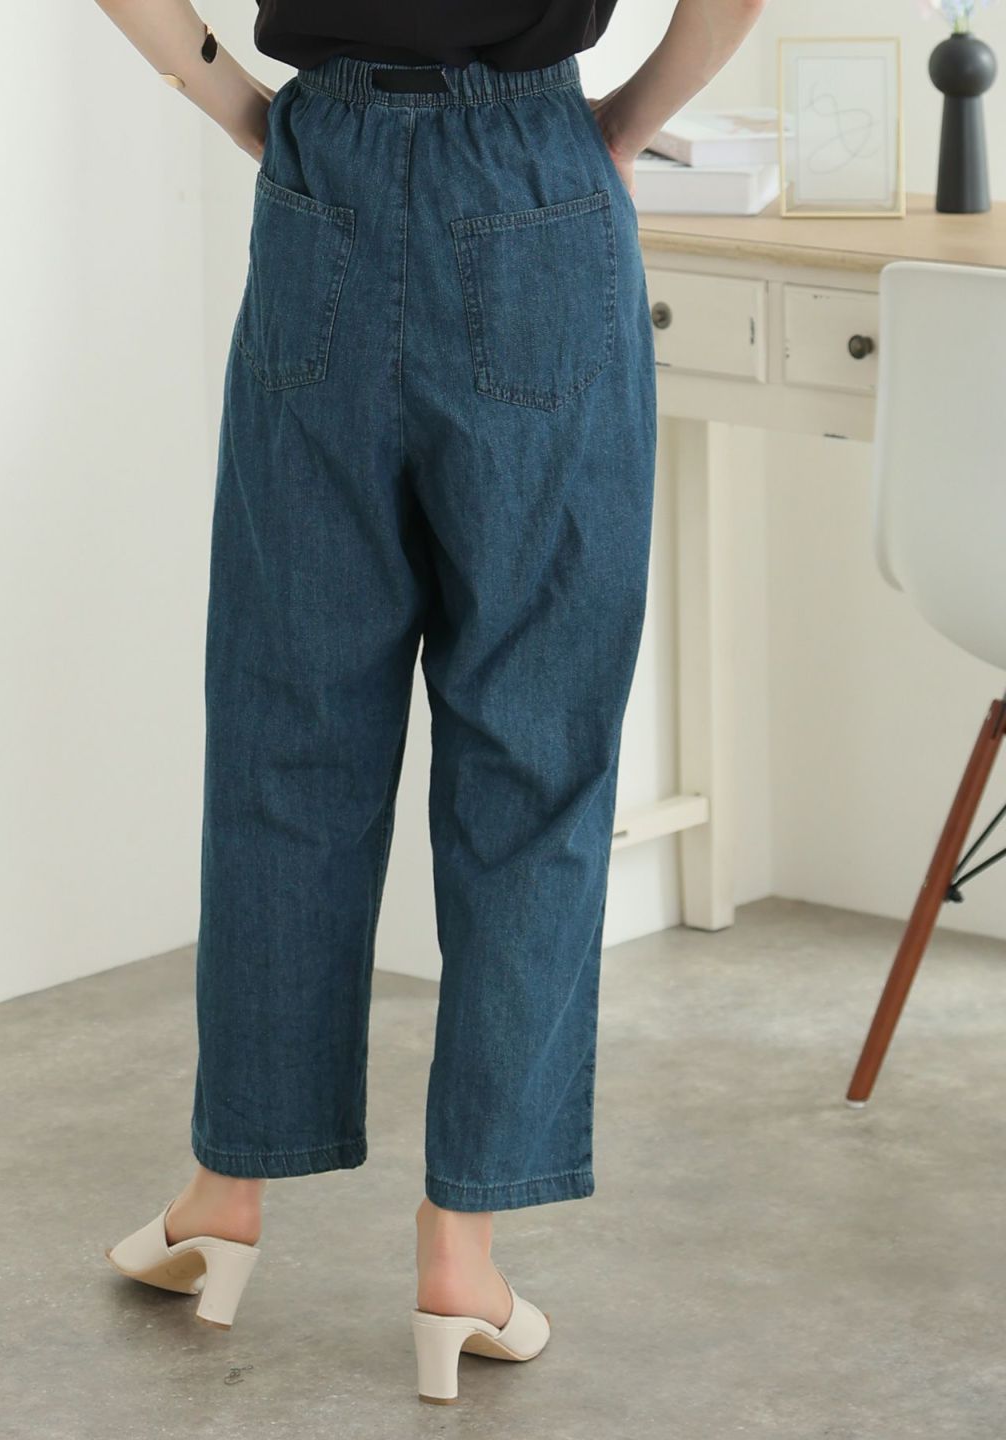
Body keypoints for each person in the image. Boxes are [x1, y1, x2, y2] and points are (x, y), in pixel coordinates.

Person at [97, 0, 767, 1405]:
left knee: (288, 731)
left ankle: (227, 1194)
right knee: (535, 748)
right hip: (535, 181)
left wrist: (235, 100)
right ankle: (459, 1254)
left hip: (322, 181)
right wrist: (626, 123)